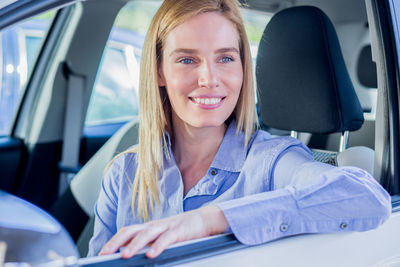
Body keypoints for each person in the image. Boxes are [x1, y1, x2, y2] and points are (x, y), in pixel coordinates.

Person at [87, 0, 391, 259]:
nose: (209, 78)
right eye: (187, 59)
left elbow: (366, 197)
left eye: (225, 58)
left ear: (243, 68)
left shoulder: (271, 161)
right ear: (158, 72)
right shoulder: (124, 174)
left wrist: (208, 221)